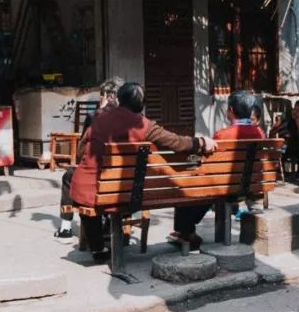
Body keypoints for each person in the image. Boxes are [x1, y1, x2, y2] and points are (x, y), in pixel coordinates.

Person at [69, 82, 217, 262]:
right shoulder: (143, 124)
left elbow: (81, 150)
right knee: (129, 187)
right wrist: (200, 142)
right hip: (129, 193)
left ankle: (98, 248)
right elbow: (175, 142)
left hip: (88, 190)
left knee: (88, 189)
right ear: (141, 105)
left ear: (120, 100)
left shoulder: (99, 119)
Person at [170, 89, 264, 250]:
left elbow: (210, 166)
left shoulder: (223, 135)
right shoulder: (260, 134)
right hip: (250, 185)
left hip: (223, 186)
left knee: (189, 188)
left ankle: (187, 233)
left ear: (231, 111)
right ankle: (187, 233)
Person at [55, 77, 124, 241]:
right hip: (124, 176)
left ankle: (65, 228)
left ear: (107, 96)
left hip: (98, 172)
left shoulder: (94, 117)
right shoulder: (134, 118)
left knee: (68, 177)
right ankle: (108, 223)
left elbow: (82, 151)